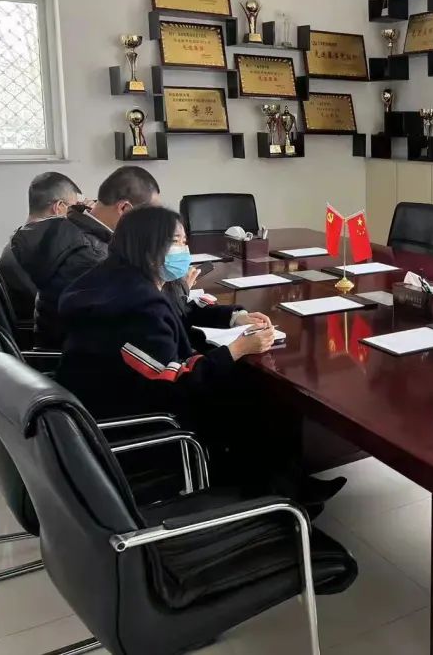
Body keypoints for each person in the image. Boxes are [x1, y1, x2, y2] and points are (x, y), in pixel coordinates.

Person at [57, 206, 344, 504]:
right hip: (140, 419)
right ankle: (275, 495)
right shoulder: (136, 306)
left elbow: (177, 310)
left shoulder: (119, 277)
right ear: (148, 247)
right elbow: (173, 381)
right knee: (260, 395)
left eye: (185, 241)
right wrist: (237, 349)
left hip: (110, 399)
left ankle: (288, 483)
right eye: (177, 241)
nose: (185, 249)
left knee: (250, 387)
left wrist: (236, 317)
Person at [11, 165, 161, 347]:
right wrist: (170, 286)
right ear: (124, 209)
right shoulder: (91, 255)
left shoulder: (70, 229)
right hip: (77, 357)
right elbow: (140, 320)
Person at [0, 172, 82, 324]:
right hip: (47, 329)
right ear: (59, 207)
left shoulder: (21, 242)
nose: (77, 215)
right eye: (75, 208)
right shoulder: (37, 251)